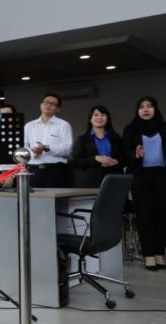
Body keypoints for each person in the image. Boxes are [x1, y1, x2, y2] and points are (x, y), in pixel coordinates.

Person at [122, 96, 166, 271]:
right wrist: (136, 155)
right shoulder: (131, 129)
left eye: (149, 106)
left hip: (162, 176)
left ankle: (159, 253)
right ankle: (148, 255)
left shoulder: (164, 127)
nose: (145, 109)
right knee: (145, 216)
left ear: (155, 108)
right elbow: (125, 154)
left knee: (162, 216)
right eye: (141, 107)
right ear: (137, 110)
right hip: (140, 176)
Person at [70, 105, 126, 188]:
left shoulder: (116, 138)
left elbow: (125, 158)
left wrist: (117, 161)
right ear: (90, 119)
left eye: (103, 115)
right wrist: (95, 158)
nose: (99, 118)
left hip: (114, 179)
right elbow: (75, 162)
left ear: (108, 119)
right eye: (96, 115)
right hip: (91, 182)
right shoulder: (82, 139)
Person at [23, 93, 73, 187]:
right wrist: (34, 152)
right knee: (33, 196)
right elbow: (23, 147)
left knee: (55, 196)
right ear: (41, 105)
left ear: (58, 109)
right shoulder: (29, 126)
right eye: (46, 102)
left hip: (55, 170)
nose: (48, 105)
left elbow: (67, 149)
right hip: (33, 169)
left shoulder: (64, 125)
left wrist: (46, 148)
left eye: (53, 103)